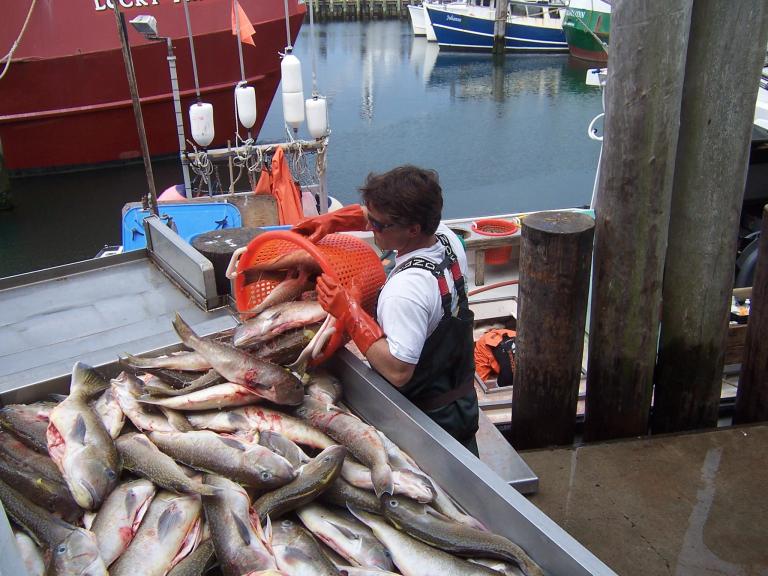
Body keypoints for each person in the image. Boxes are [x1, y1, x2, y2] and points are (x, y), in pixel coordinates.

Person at [292, 165, 480, 456]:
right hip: (460, 397)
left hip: (427, 418)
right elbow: (374, 216)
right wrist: (334, 221)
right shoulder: (445, 238)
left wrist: (349, 314)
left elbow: (398, 371)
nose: (370, 228)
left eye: (379, 225)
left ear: (413, 229)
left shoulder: (405, 291)